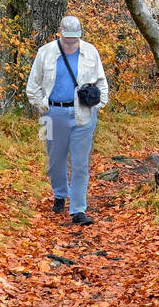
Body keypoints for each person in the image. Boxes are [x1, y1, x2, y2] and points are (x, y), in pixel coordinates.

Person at [25, 16, 109, 225]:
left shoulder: (90, 52)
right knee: (56, 160)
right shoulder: (45, 52)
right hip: (52, 114)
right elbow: (33, 82)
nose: (71, 42)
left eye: (75, 38)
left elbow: (101, 81)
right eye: (67, 38)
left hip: (84, 114)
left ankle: (78, 210)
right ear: (60, 32)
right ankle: (60, 194)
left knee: (81, 163)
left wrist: (98, 104)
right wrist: (40, 104)